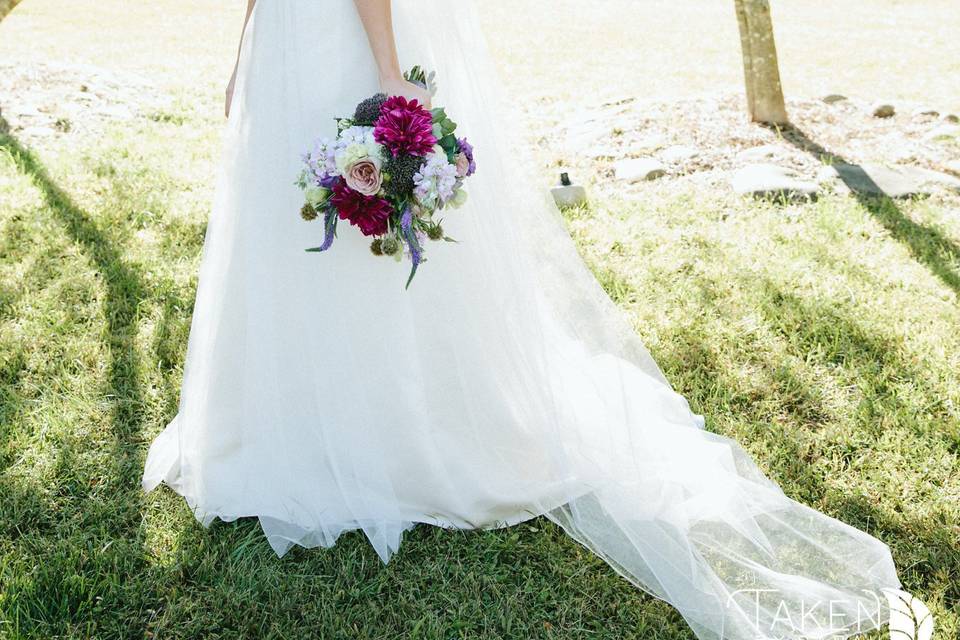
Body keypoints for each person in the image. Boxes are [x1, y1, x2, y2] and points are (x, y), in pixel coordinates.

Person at [143, 1, 902, 638]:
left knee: (351, 243)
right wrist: (246, 47)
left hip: (330, 36)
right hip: (294, 36)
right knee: (316, 238)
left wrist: (383, 66)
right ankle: (337, 423)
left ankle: (376, 426)